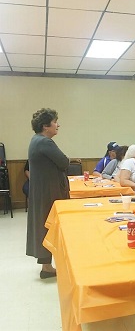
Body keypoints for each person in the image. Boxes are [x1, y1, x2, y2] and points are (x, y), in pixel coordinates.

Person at [26, 108, 70, 279]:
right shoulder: (45, 142)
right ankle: (47, 267)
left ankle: (47, 265)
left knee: (44, 225)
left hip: (43, 191)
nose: (58, 125)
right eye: (55, 122)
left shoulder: (36, 140)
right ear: (45, 126)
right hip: (49, 192)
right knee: (49, 226)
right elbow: (64, 162)